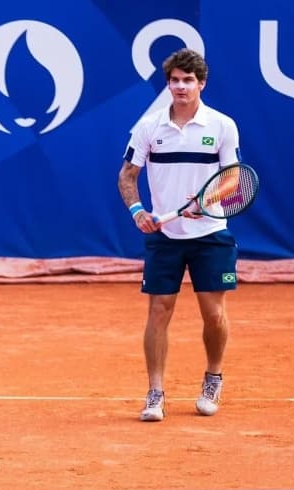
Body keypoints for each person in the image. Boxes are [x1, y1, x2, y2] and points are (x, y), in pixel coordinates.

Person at [117, 48, 241, 422]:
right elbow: (127, 175)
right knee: (158, 311)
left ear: (201, 83)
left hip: (210, 233)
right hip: (165, 236)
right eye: (175, 80)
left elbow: (234, 178)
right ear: (168, 84)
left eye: (189, 80)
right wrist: (138, 211)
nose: (181, 86)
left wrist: (205, 201)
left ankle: (213, 378)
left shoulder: (222, 125)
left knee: (213, 314)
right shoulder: (148, 127)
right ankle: (155, 393)